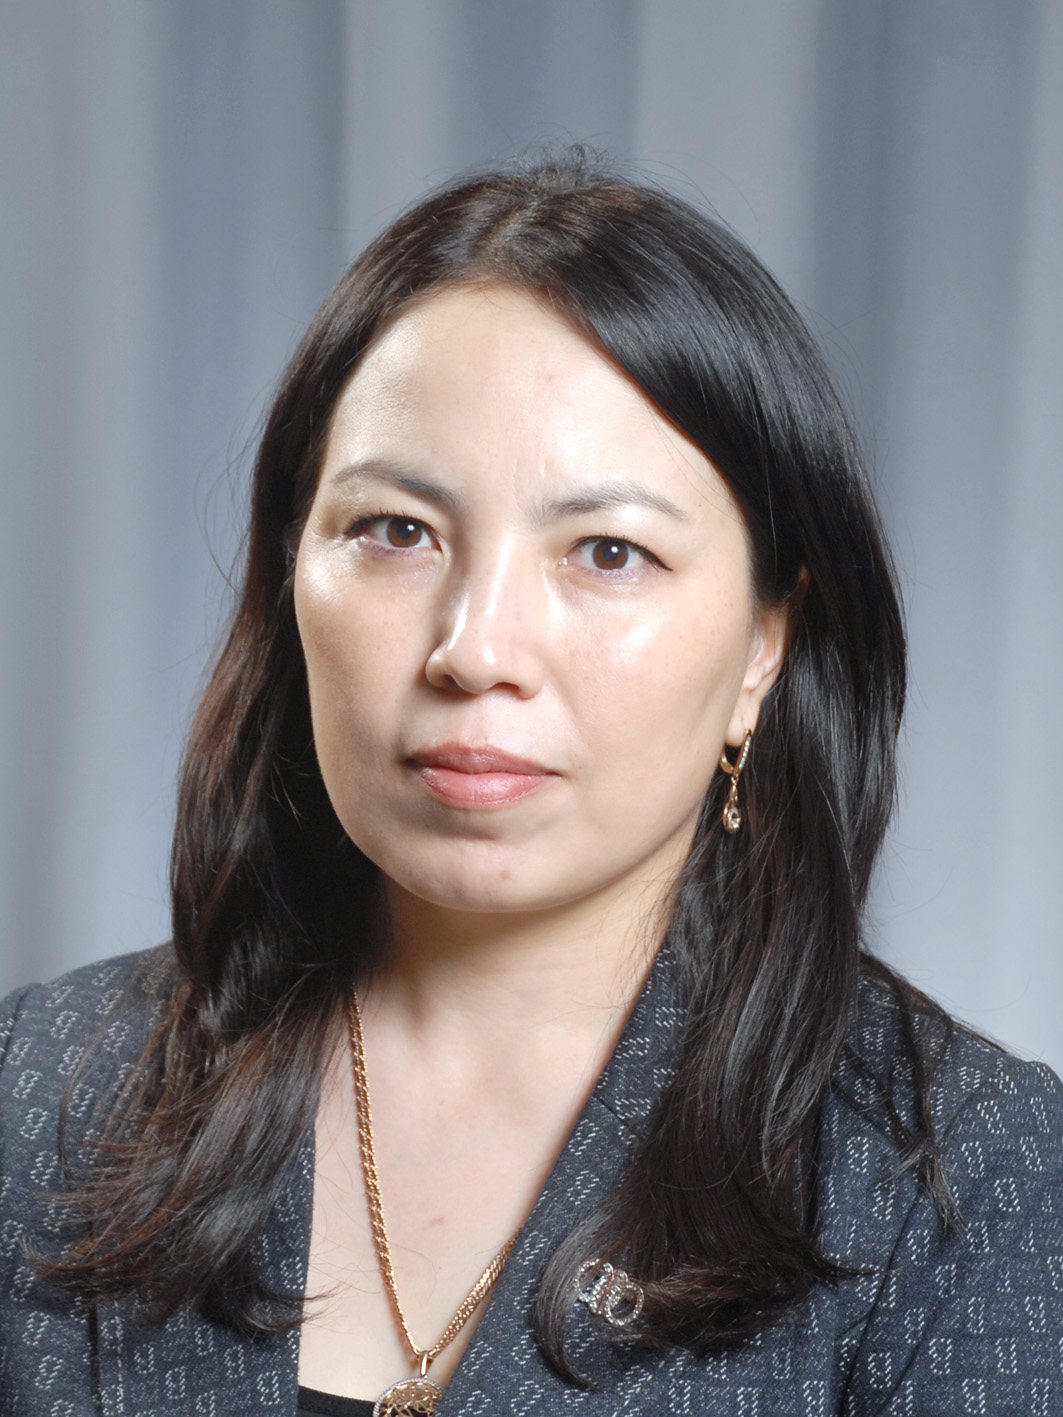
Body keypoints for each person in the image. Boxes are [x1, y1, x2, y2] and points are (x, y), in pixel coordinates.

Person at [1, 151, 1061, 1417]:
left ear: (764, 646)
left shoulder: (964, 1183)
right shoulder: (38, 1083)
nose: (475, 649)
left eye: (607, 551)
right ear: (289, 578)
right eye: (396, 531)